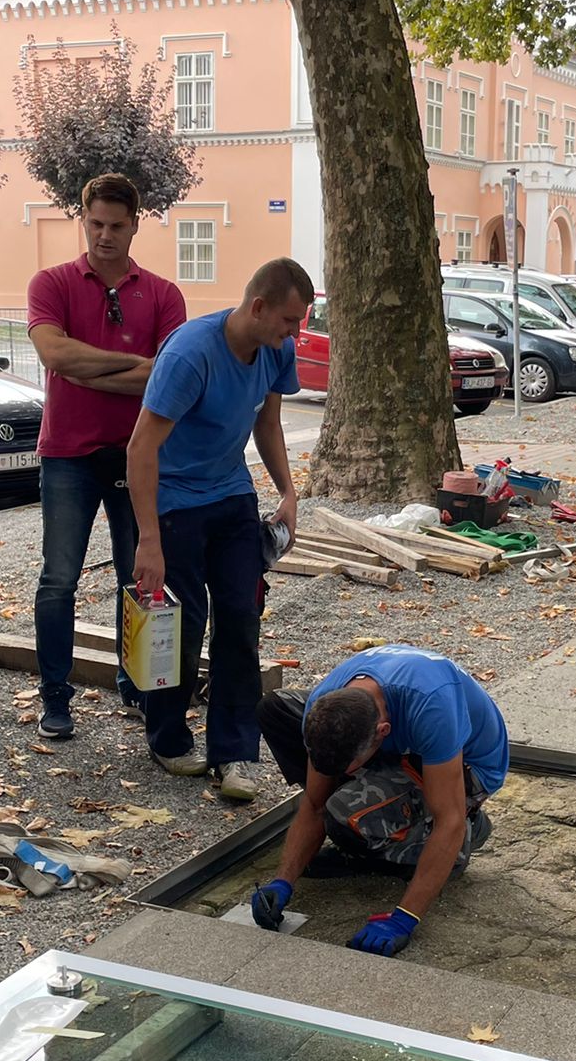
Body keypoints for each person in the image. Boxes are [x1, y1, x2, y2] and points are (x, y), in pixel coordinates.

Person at [126, 257, 311, 803]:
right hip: (175, 501)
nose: (294, 332)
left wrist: (288, 492)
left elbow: (268, 423)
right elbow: (140, 448)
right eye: (289, 320)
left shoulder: (275, 350)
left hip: (231, 495)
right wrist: (149, 540)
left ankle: (236, 752)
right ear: (258, 307)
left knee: (240, 617)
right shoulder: (190, 354)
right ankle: (167, 736)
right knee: (180, 625)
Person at [26, 174, 186, 739]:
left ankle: (135, 685)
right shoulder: (52, 282)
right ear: (84, 219)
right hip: (67, 453)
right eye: (96, 223)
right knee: (59, 579)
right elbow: (53, 354)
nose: (105, 235)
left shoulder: (164, 294)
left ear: (135, 224)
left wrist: (82, 367)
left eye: (117, 225)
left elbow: (168, 378)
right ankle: (55, 698)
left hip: (136, 454)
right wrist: (134, 368)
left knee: (137, 576)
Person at [253, 645, 504, 955]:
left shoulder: (431, 710)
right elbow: (315, 803)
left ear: (383, 732)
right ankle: (385, 817)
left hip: (469, 765)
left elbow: (448, 821)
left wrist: (404, 919)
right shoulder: (322, 704)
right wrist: (283, 880)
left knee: (345, 813)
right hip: (402, 744)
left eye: (352, 769)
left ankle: (464, 832)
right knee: (274, 709)